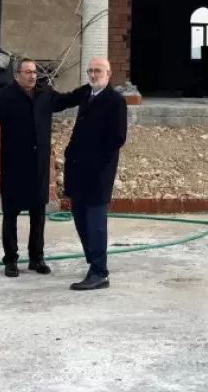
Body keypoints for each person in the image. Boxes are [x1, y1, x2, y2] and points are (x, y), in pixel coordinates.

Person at [0, 57, 82, 277]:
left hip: (38, 165)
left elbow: (66, 100)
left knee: (38, 214)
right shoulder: (6, 96)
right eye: (28, 72)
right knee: (11, 215)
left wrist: (88, 90)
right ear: (17, 75)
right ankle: (10, 260)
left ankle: (37, 258)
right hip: (14, 165)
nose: (32, 76)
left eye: (34, 72)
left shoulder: (45, 93)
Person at [63, 56, 128, 291]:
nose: (93, 74)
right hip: (78, 169)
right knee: (79, 217)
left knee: (95, 223)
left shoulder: (115, 101)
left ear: (108, 74)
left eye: (98, 71)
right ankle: (93, 262)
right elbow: (62, 100)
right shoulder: (86, 94)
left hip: (98, 173)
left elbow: (117, 138)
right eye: (90, 70)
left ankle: (100, 272)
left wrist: (99, 164)